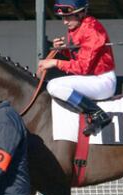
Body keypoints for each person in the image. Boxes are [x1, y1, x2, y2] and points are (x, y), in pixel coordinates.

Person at [38, 0, 116, 136]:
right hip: (91, 79)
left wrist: (56, 63)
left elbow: (83, 67)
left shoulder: (92, 30)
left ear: (81, 14)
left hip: (102, 81)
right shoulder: (77, 28)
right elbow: (80, 57)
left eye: (68, 17)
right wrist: (63, 50)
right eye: (63, 18)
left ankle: (97, 114)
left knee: (53, 86)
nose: (65, 22)